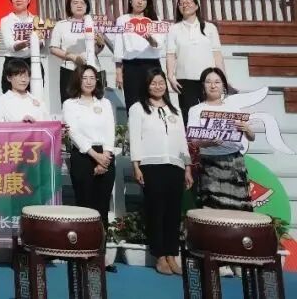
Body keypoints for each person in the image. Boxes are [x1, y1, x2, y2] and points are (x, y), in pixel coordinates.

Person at [187, 67, 255, 278]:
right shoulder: (196, 110)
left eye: (217, 82)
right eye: (209, 82)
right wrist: (208, 141)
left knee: (238, 212)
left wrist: (247, 129)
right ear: (203, 86)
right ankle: (217, 260)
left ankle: (238, 259)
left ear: (224, 85)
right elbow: (193, 140)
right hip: (210, 164)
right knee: (213, 212)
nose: (213, 85)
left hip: (234, 163)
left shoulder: (234, 107)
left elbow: (251, 137)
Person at [128, 68, 193, 276]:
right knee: (156, 211)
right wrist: (136, 165)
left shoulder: (175, 110)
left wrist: (188, 167)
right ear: (147, 86)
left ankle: (172, 254)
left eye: (161, 83)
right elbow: (135, 138)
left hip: (175, 165)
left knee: (173, 212)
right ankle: (159, 256)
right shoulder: (138, 108)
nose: (158, 86)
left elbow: (182, 140)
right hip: (151, 165)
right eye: (153, 83)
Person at [61, 64, 116, 271]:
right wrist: (95, 156)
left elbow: (110, 130)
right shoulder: (70, 104)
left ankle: (100, 254)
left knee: (102, 209)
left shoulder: (105, 103)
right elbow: (73, 132)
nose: (89, 81)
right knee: (85, 206)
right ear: (78, 80)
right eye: (85, 78)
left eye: (92, 77)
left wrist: (106, 157)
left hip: (106, 155)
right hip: (83, 156)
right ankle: (84, 253)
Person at [167, 0, 224, 122]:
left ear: (197, 6)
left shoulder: (210, 28)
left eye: (189, 2)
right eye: (182, 3)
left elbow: (217, 54)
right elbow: (170, 54)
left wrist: (222, 77)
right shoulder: (174, 29)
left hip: (208, 80)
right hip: (184, 80)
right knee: (189, 117)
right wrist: (170, 76)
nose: (185, 5)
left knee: (210, 117)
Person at [114, 0, 165, 113]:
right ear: (130, 1)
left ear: (147, 2)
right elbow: (118, 47)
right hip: (131, 66)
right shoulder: (122, 20)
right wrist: (119, 72)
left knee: (155, 101)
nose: (140, 1)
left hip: (152, 66)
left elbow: (158, 44)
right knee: (133, 103)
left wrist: (151, 40)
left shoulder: (154, 20)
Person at [49, 0, 104, 99]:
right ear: (69, 6)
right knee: (70, 101)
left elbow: (95, 51)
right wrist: (72, 57)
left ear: (87, 6)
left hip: (92, 69)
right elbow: (53, 48)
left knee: (94, 101)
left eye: (82, 3)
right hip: (70, 69)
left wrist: (99, 45)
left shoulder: (92, 24)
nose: (79, 5)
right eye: (75, 3)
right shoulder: (61, 25)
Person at [0, 0, 40, 93]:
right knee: (10, 96)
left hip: (32, 62)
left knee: (34, 95)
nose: (18, 0)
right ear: (11, 0)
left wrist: (38, 42)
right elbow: (10, 46)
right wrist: (28, 42)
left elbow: (42, 43)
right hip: (12, 62)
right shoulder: (5, 20)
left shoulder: (37, 20)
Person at [0, 59, 48, 123]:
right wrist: (21, 124)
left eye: (26, 76)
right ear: (9, 78)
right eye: (19, 76)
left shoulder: (38, 101)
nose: (23, 80)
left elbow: (47, 124)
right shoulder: (1, 101)